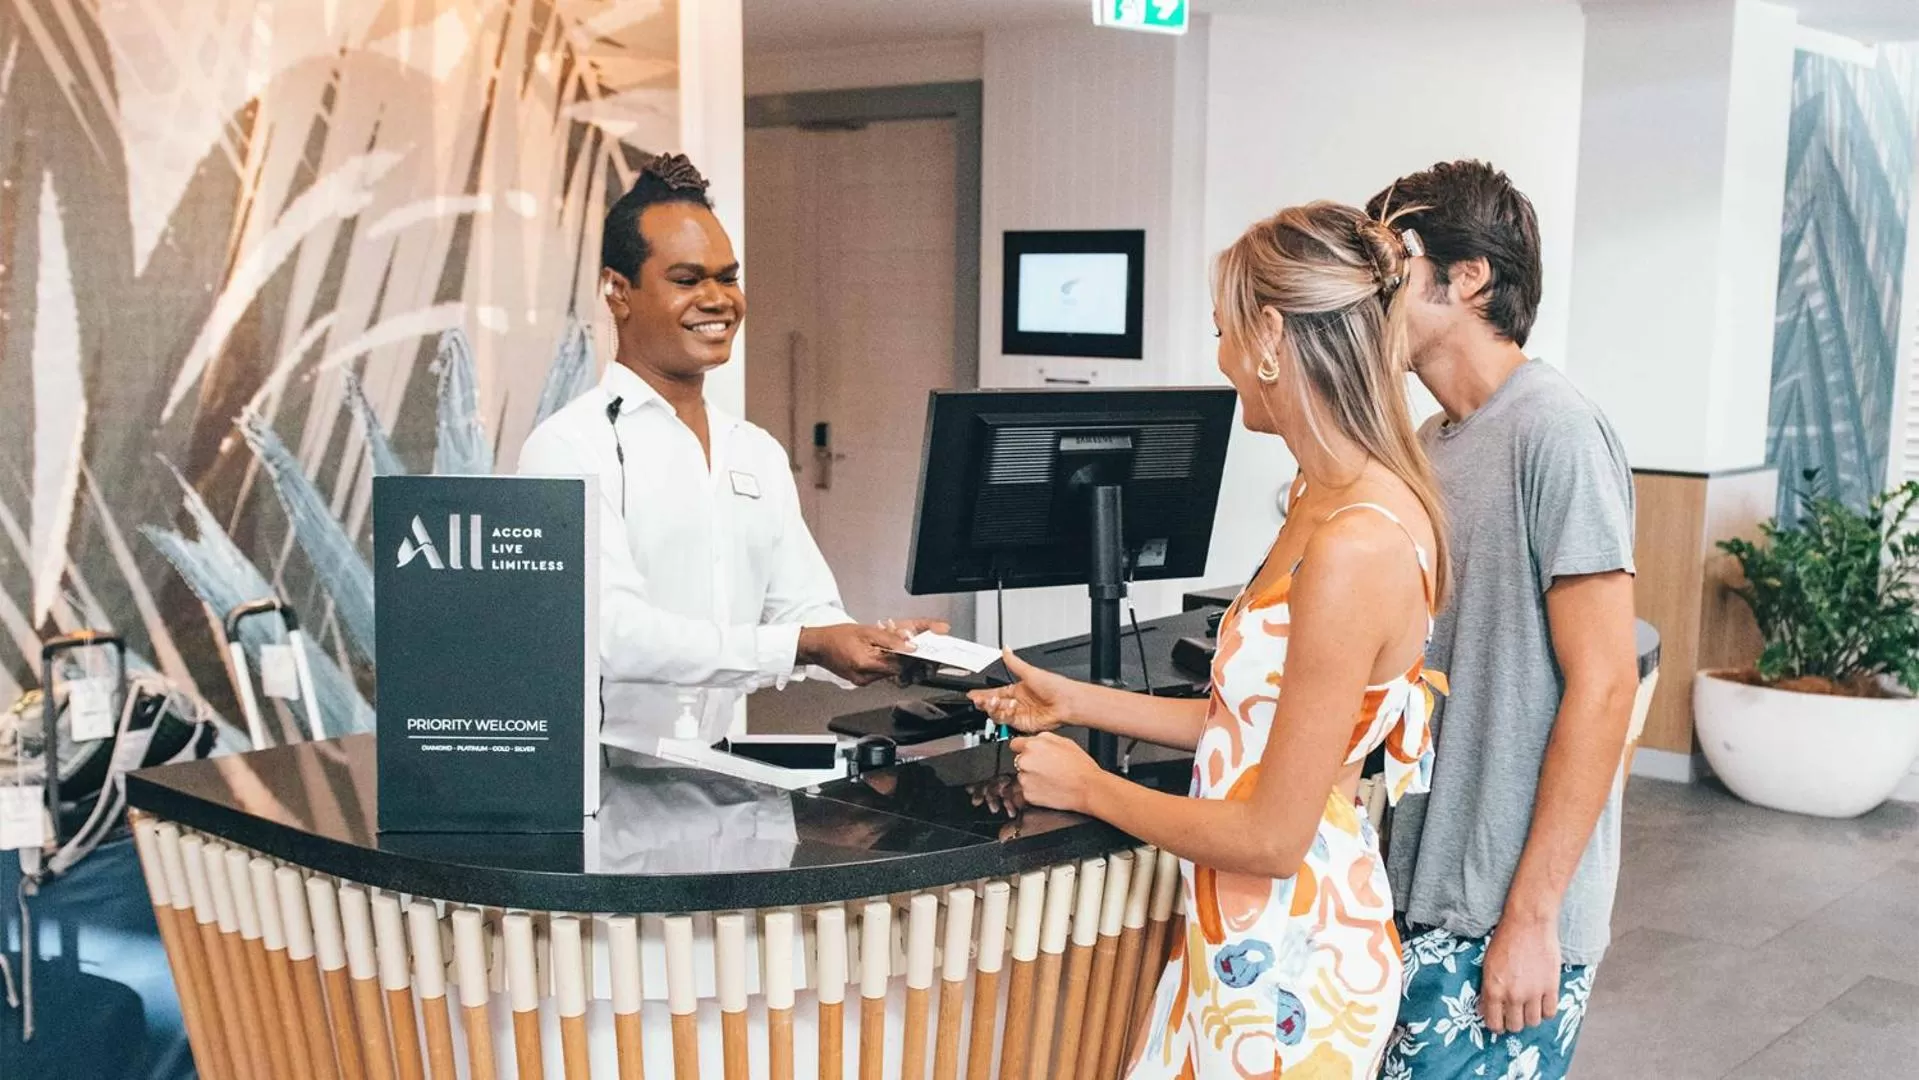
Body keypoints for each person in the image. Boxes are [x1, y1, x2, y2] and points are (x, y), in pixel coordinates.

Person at [972, 201, 1448, 1078]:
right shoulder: (1320, 497)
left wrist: (1090, 788)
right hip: (1242, 934)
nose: (1222, 359)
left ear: (1271, 334)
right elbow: (1251, 730)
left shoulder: (1357, 541)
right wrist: (1072, 699)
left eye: (1225, 332)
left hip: (1295, 956)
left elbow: (1271, 836)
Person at [519, 153, 944, 755]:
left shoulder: (755, 452)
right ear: (618, 292)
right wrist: (803, 644)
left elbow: (802, 608)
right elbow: (612, 634)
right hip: (603, 780)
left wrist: (874, 644)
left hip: (719, 769)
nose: (719, 299)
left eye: (729, 277)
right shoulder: (569, 447)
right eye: (689, 280)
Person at [1366, 161, 1638, 1080]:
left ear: (1468, 275)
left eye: (1387, 261)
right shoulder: (1434, 446)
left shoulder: (1555, 428)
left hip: (1502, 915)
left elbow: (1604, 688)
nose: (1371, 289)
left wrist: (1533, 918)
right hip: (1420, 884)